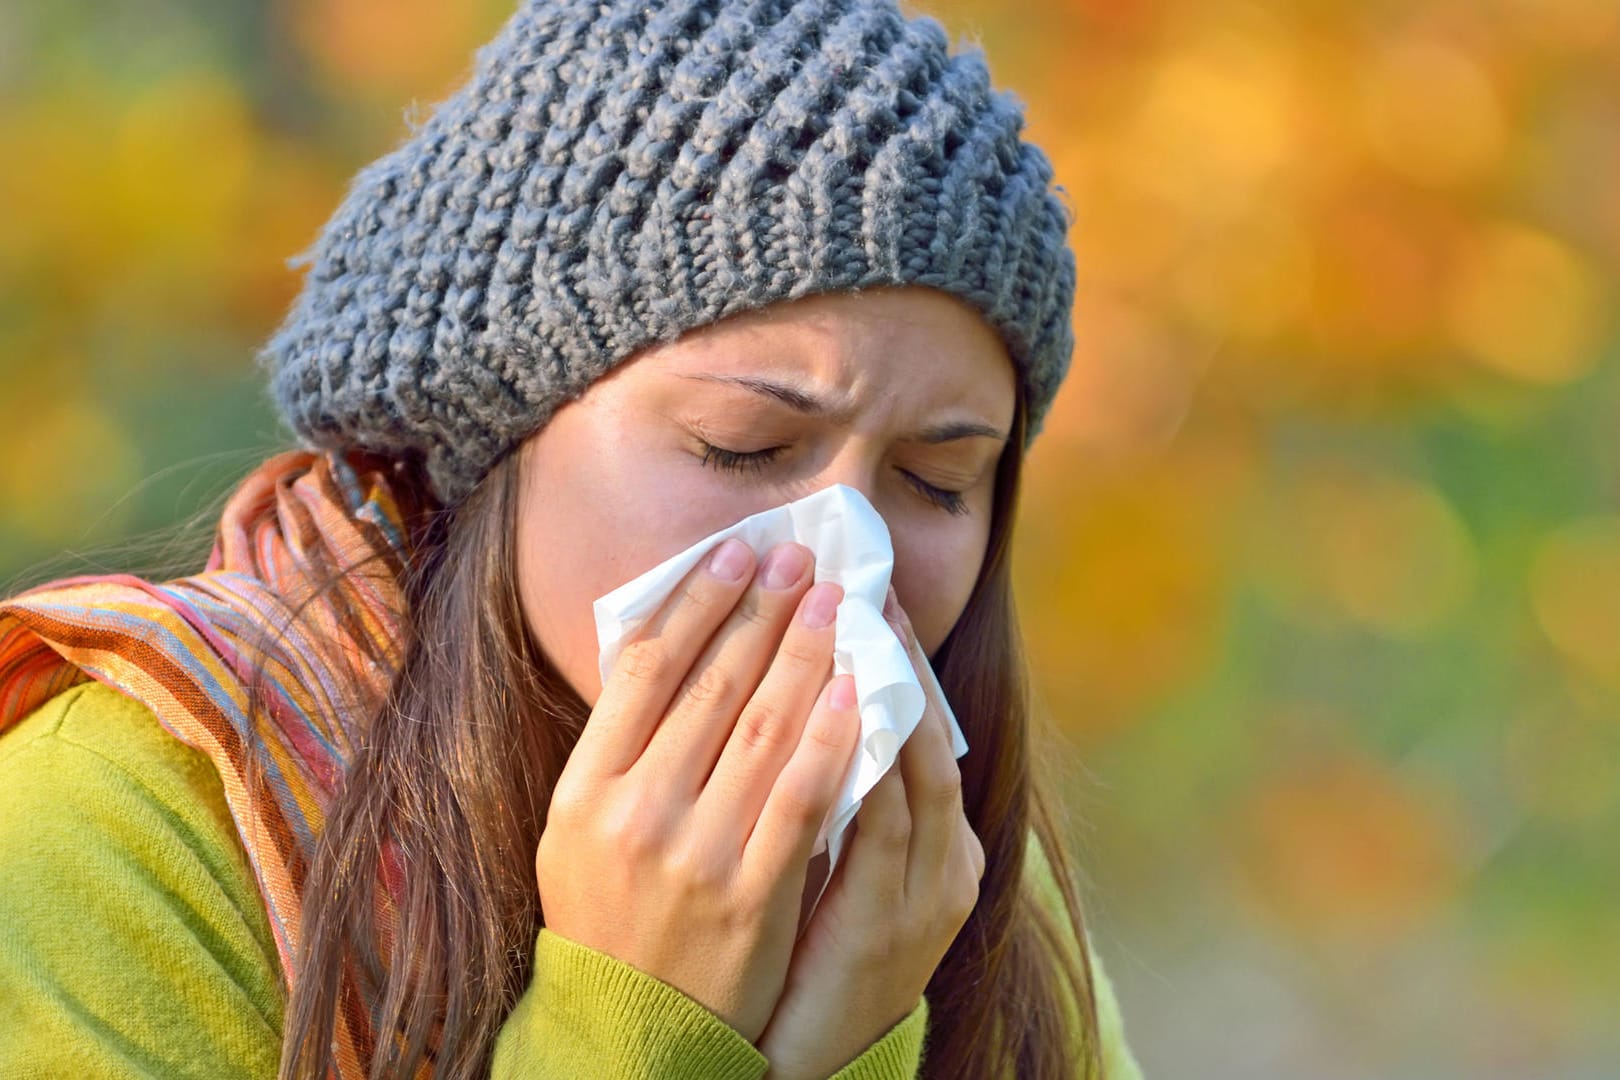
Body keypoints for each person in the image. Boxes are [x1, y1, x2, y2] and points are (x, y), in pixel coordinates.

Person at [0, 0, 1144, 1077]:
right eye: (741, 445)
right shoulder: (120, 826)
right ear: (507, 430)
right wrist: (642, 1029)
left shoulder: (941, 873)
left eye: (936, 480)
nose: (845, 561)